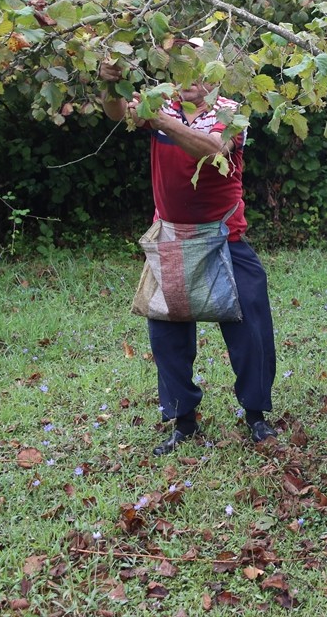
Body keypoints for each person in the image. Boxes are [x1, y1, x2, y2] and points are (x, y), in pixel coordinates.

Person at [100, 38, 278, 454]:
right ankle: (183, 422)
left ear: (211, 71)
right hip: (173, 240)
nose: (185, 77)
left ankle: (256, 417)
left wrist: (161, 120)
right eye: (177, 66)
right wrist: (109, 85)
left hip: (225, 238)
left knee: (250, 326)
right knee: (167, 334)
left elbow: (212, 148)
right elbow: (114, 111)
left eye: (193, 66)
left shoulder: (231, 112)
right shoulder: (160, 103)